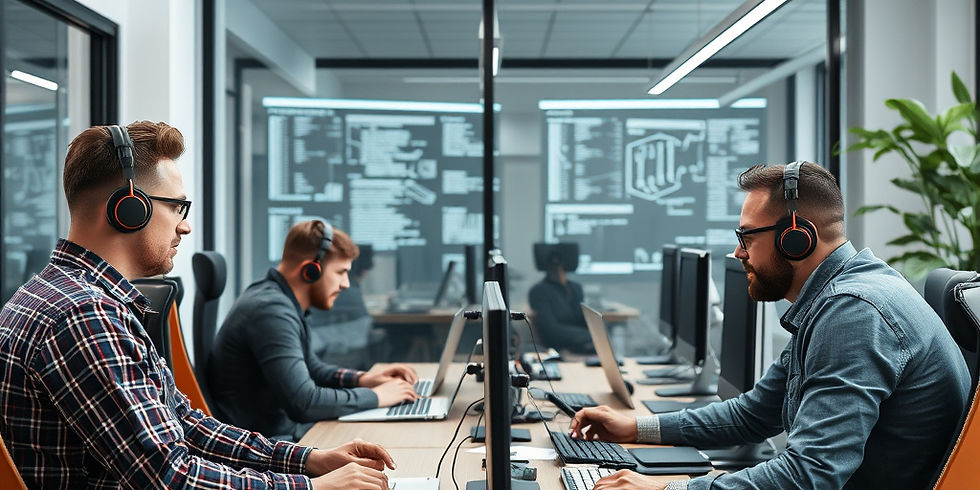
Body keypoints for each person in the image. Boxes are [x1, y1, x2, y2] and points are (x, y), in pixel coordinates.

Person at [0, 122, 395, 489]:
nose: (185, 225)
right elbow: (170, 478)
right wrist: (310, 487)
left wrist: (309, 460)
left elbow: (185, 425)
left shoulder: (62, 296)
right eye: (177, 207)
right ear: (129, 209)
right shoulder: (84, 316)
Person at [570, 162, 971, 490]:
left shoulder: (854, 312)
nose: (737, 251)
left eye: (746, 236)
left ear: (796, 238)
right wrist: (636, 427)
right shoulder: (833, 300)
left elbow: (809, 475)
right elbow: (755, 414)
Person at [208, 220, 420, 440]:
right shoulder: (271, 312)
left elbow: (311, 368)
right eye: (340, 272)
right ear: (311, 270)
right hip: (268, 445)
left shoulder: (279, 301)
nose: (346, 283)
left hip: (284, 433)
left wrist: (364, 379)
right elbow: (304, 402)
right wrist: (376, 397)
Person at [527, 242, 592, 353]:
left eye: (559, 261)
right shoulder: (539, 291)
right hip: (558, 345)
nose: (556, 264)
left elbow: (580, 317)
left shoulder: (575, 288)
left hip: (582, 342)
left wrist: (597, 330)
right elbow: (550, 329)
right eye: (553, 261)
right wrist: (587, 335)